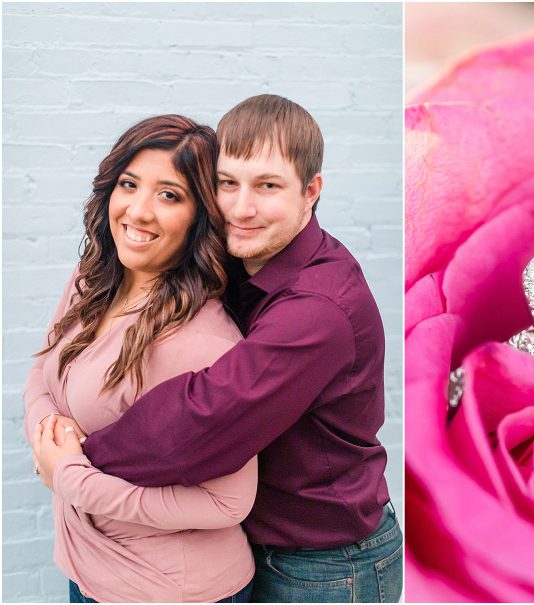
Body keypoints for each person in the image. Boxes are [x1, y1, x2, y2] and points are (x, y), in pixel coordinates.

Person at [69, 94, 403, 603]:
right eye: (228, 183)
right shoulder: (239, 261)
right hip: (252, 546)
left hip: (326, 566)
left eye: (267, 186)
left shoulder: (318, 308)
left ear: (311, 190)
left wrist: (76, 459)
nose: (241, 209)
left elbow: (204, 416)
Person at [24, 115, 257, 603]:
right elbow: (43, 374)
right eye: (129, 184)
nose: (139, 210)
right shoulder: (93, 280)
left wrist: (71, 477)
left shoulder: (204, 344)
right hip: (88, 570)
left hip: (172, 589)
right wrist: (53, 437)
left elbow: (228, 501)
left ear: (200, 216)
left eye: (169, 195)